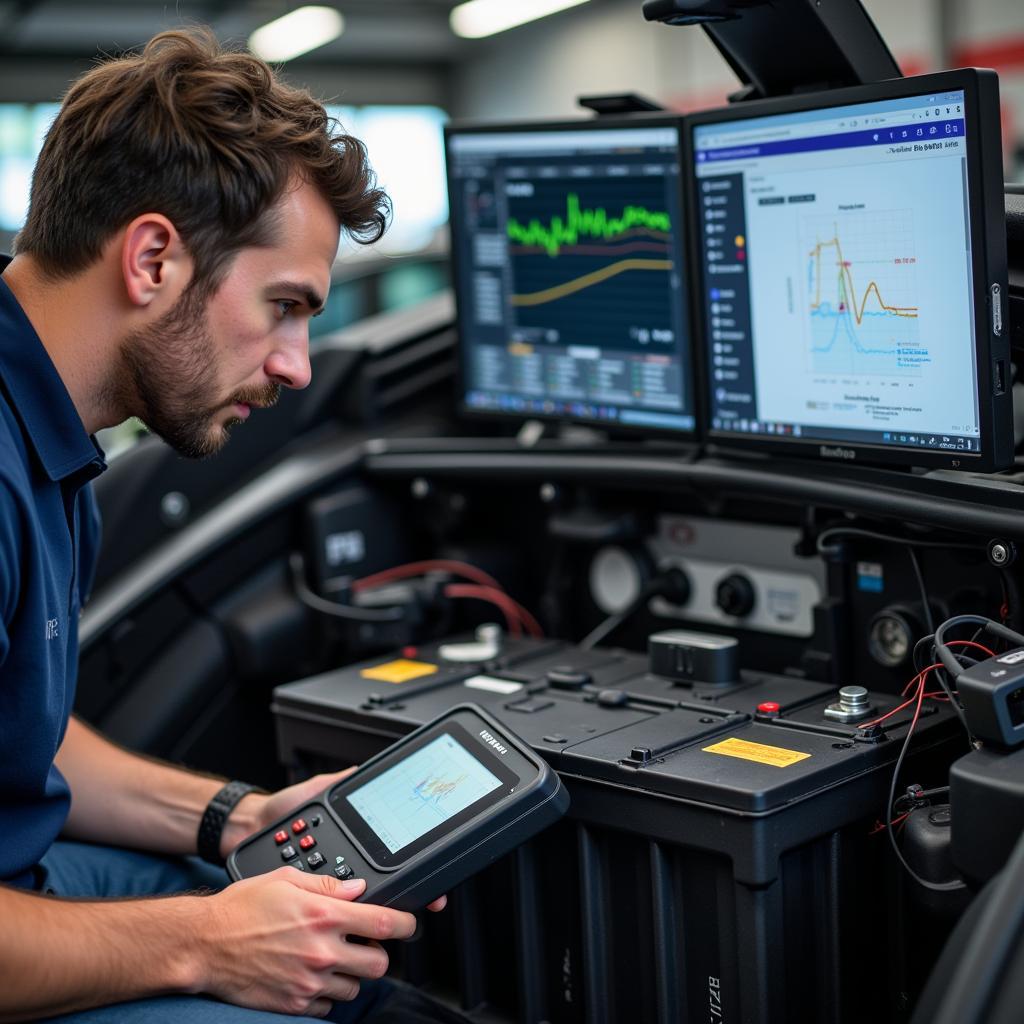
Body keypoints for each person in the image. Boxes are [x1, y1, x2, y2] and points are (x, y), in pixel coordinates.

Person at [0, 26, 465, 1024]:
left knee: (344, 965)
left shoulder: (51, 426)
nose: (298, 364)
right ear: (155, 257)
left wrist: (232, 818)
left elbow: (18, 733)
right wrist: (204, 943)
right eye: (284, 306)